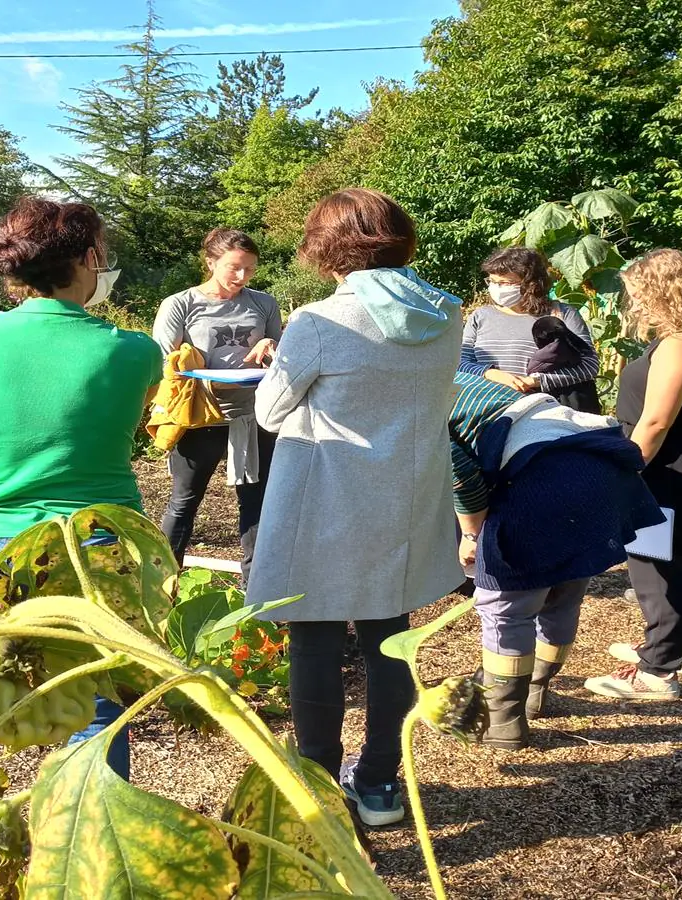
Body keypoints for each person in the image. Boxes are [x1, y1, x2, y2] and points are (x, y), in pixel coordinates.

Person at [0, 196, 163, 873]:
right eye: (102, 254)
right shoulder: (136, 352)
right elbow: (128, 430)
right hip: (93, 547)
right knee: (94, 699)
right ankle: (90, 833)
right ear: (86, 259)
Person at [247, 188, 463, 827]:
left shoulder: (321, 321)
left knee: (312, 638)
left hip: (325, 497)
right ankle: (378, 784)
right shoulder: (446, 313)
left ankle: (316, 781)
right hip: (407, 496)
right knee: (389, 639)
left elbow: (270, 410)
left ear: (329, 250)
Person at [450, 372, 662, 748]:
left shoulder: (423, 400)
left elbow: (462, 476)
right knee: (564, 589)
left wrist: (471, 534)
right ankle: (534, 693)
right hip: (598, 469)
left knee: (506, 607)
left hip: (543, 477)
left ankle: (503, 722)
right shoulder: (458, 379)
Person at [585, 249, 682, 701]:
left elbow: (655, 422)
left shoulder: (680, 344)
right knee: (679, 558)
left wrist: (625, 471)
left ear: (662, 293)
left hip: (663, 469)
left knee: (655, 566)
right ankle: (668, 647)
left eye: (639, 295)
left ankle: (659, 672)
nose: (635, 305)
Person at [153, 229, 282, 582]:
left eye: (250, 270)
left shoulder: (264, 303)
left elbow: (284, 358)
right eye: (234, 268)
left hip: (252, 416)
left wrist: (271, 344)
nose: (242, 277)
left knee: (256, 503)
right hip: (199, 416)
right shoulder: (181, 304)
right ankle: (162, 584)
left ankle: (254, 593)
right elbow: (163, 361)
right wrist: (187, 362)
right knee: (184, 501)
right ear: (211, 262)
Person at [459, 246, 601, 411]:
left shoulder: (562, 314)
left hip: (545, 413)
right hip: (486, 411)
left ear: (530, 284)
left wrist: (536, 381)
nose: (496, 288)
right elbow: (460, 362)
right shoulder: (480, 316)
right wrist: (490, 374)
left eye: (505, 282)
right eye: (491, 281)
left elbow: (589, 365)